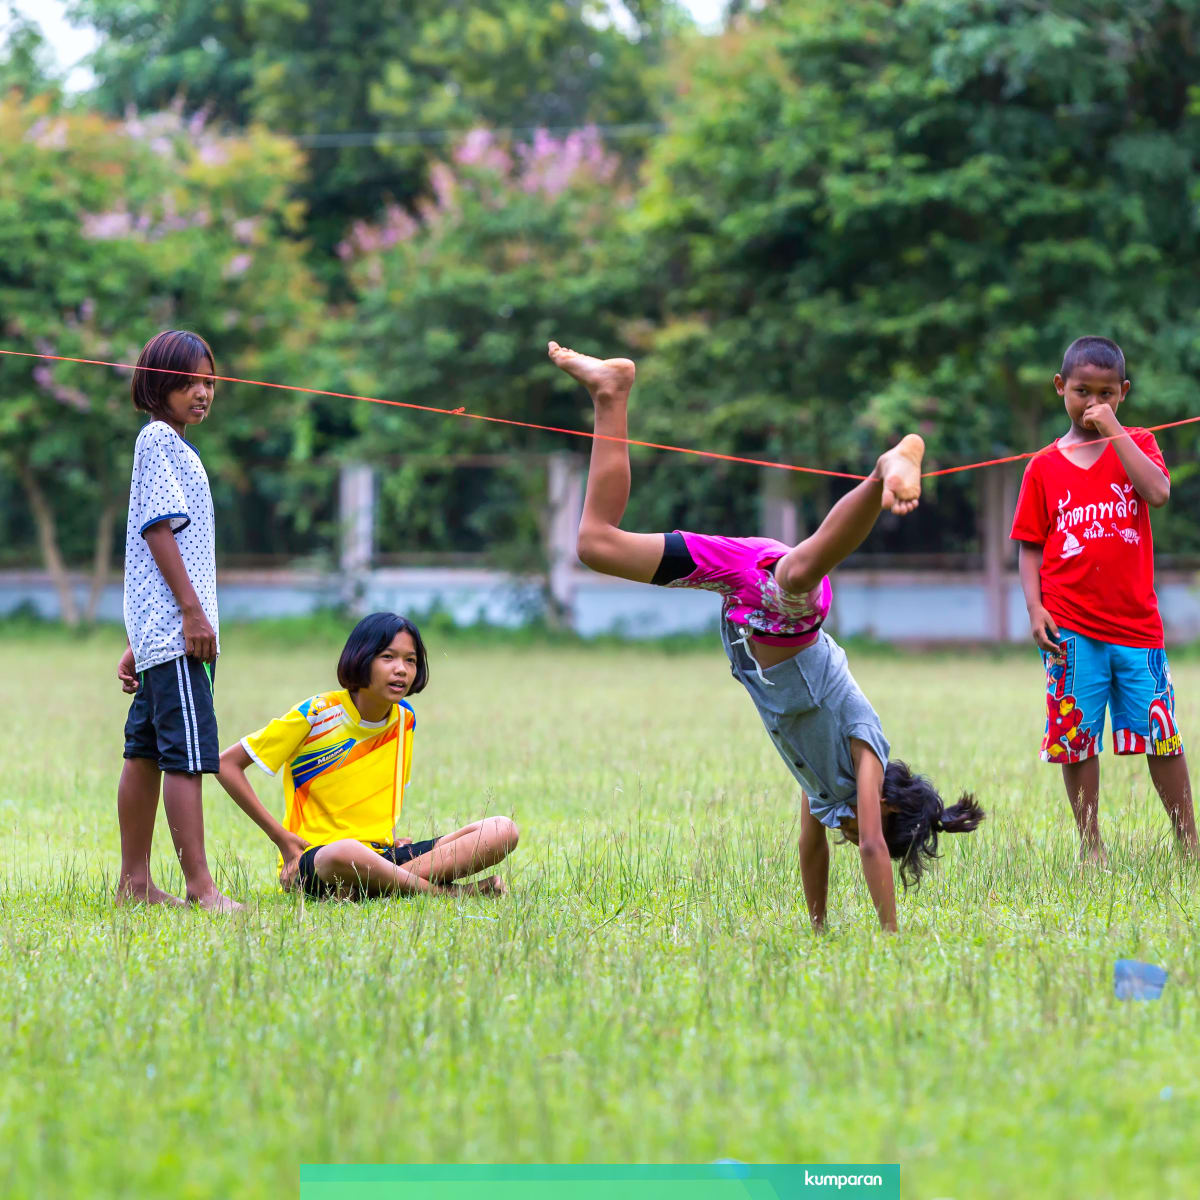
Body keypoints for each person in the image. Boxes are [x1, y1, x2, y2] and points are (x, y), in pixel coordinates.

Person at [547, 340, 983, 932]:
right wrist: (891, 935)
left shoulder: (826, 789)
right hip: (785, 610)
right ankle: (886, 468)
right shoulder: (868, 761)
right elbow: (877, 848)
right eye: (863, 830)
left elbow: (811, 848)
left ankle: (610, 392)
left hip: (741, 598)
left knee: (595, 545)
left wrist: (820, 927)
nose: (854, 839)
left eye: (853, 836)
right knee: (801, 571)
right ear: (888, 806)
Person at [1011, 335, 1197, 863]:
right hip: (1069, 629)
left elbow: (1158, 493)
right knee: (1077, 740)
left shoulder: (1138, 443)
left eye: (1106, 393)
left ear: (1123, 394)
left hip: (1137, 628)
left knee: (1161, 736)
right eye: (1081, 391)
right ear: (1059, 388)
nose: (1093, 402)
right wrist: (1034, 607)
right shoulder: (1043, 466)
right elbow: (1029, 547)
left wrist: (1115, 433)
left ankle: (1189, 843)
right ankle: (1091, 846)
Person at [217, 612, 519, 899]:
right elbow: (226, 765)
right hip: (318, 859)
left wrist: (390, 839)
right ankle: (449, 894)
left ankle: (371, 886)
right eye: (388, 657)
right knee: (344, 852)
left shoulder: (405, 719)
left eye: (410, 660)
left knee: (502, 830)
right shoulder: (317, 714)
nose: (401, 669)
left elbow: (384, 794)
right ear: (361, 658)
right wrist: (282, 839)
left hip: (382, 856)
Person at [115, 330, 239, 910]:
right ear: (157, 385)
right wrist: (190, 613)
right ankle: (202, 889)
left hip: (157, 633)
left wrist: (137, 639)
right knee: (187, 757)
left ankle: (135, 885)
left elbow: (153, 544)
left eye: (209, 381)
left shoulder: (170, 445)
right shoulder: (160, 440)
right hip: (177, 634)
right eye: (189, 382)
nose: (202, 392)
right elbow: (158, 529)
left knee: (143, 752)